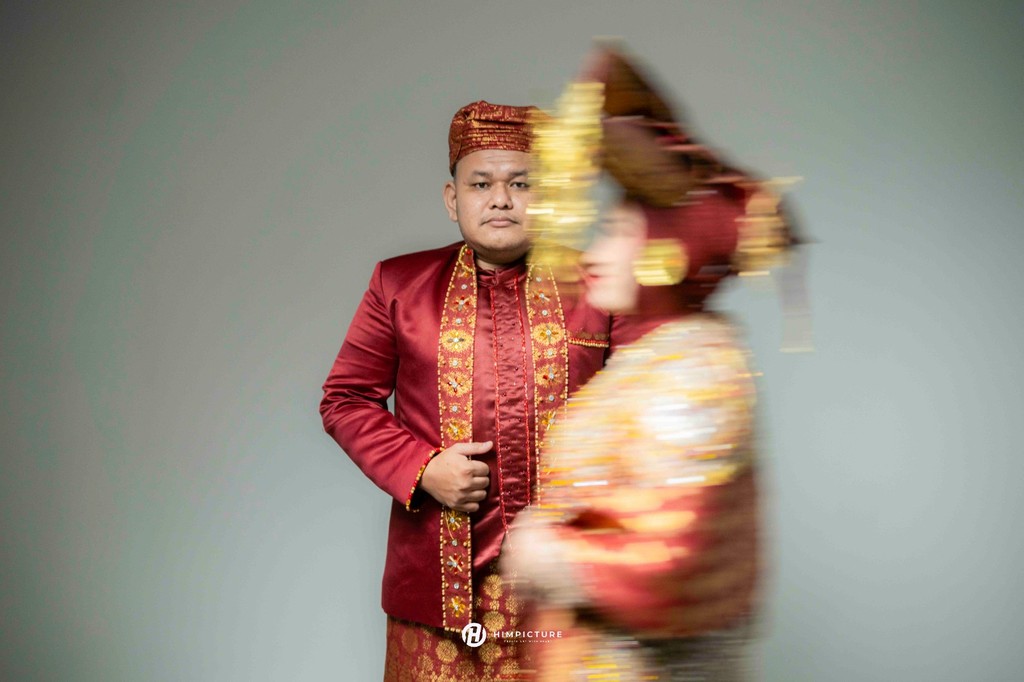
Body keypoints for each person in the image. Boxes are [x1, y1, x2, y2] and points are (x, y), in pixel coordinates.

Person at [501, 47, 800, 681]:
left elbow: (678, 544)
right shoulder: (654, 361)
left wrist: (549, 551)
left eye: (616, 230)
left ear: (661, 251)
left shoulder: (697, 368)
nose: (595, 251)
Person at [320, 100, 615, 681]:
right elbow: (345, 399)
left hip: (572, 590)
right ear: (452, 198)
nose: (500, 199)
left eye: (521, 183)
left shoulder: (600, 286)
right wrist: (422, 467)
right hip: (438, 598)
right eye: (481, 183)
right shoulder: (399, 285)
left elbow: (641, 411)